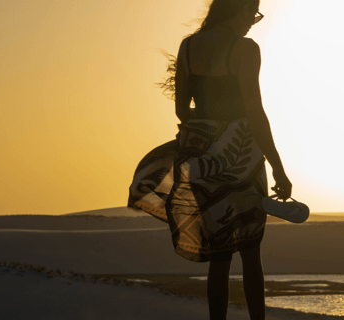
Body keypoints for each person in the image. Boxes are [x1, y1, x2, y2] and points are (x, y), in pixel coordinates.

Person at [127, 0, 290, 319]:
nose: (253, 22)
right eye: (252, 13)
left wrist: (207, 126)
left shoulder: (188, 47)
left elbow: (180, 110)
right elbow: (255, 114)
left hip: (201, 157)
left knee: (219, 254)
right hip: (241, 153)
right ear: (240, 9)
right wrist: (278, 168)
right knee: (250, 252)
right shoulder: (245, 49)